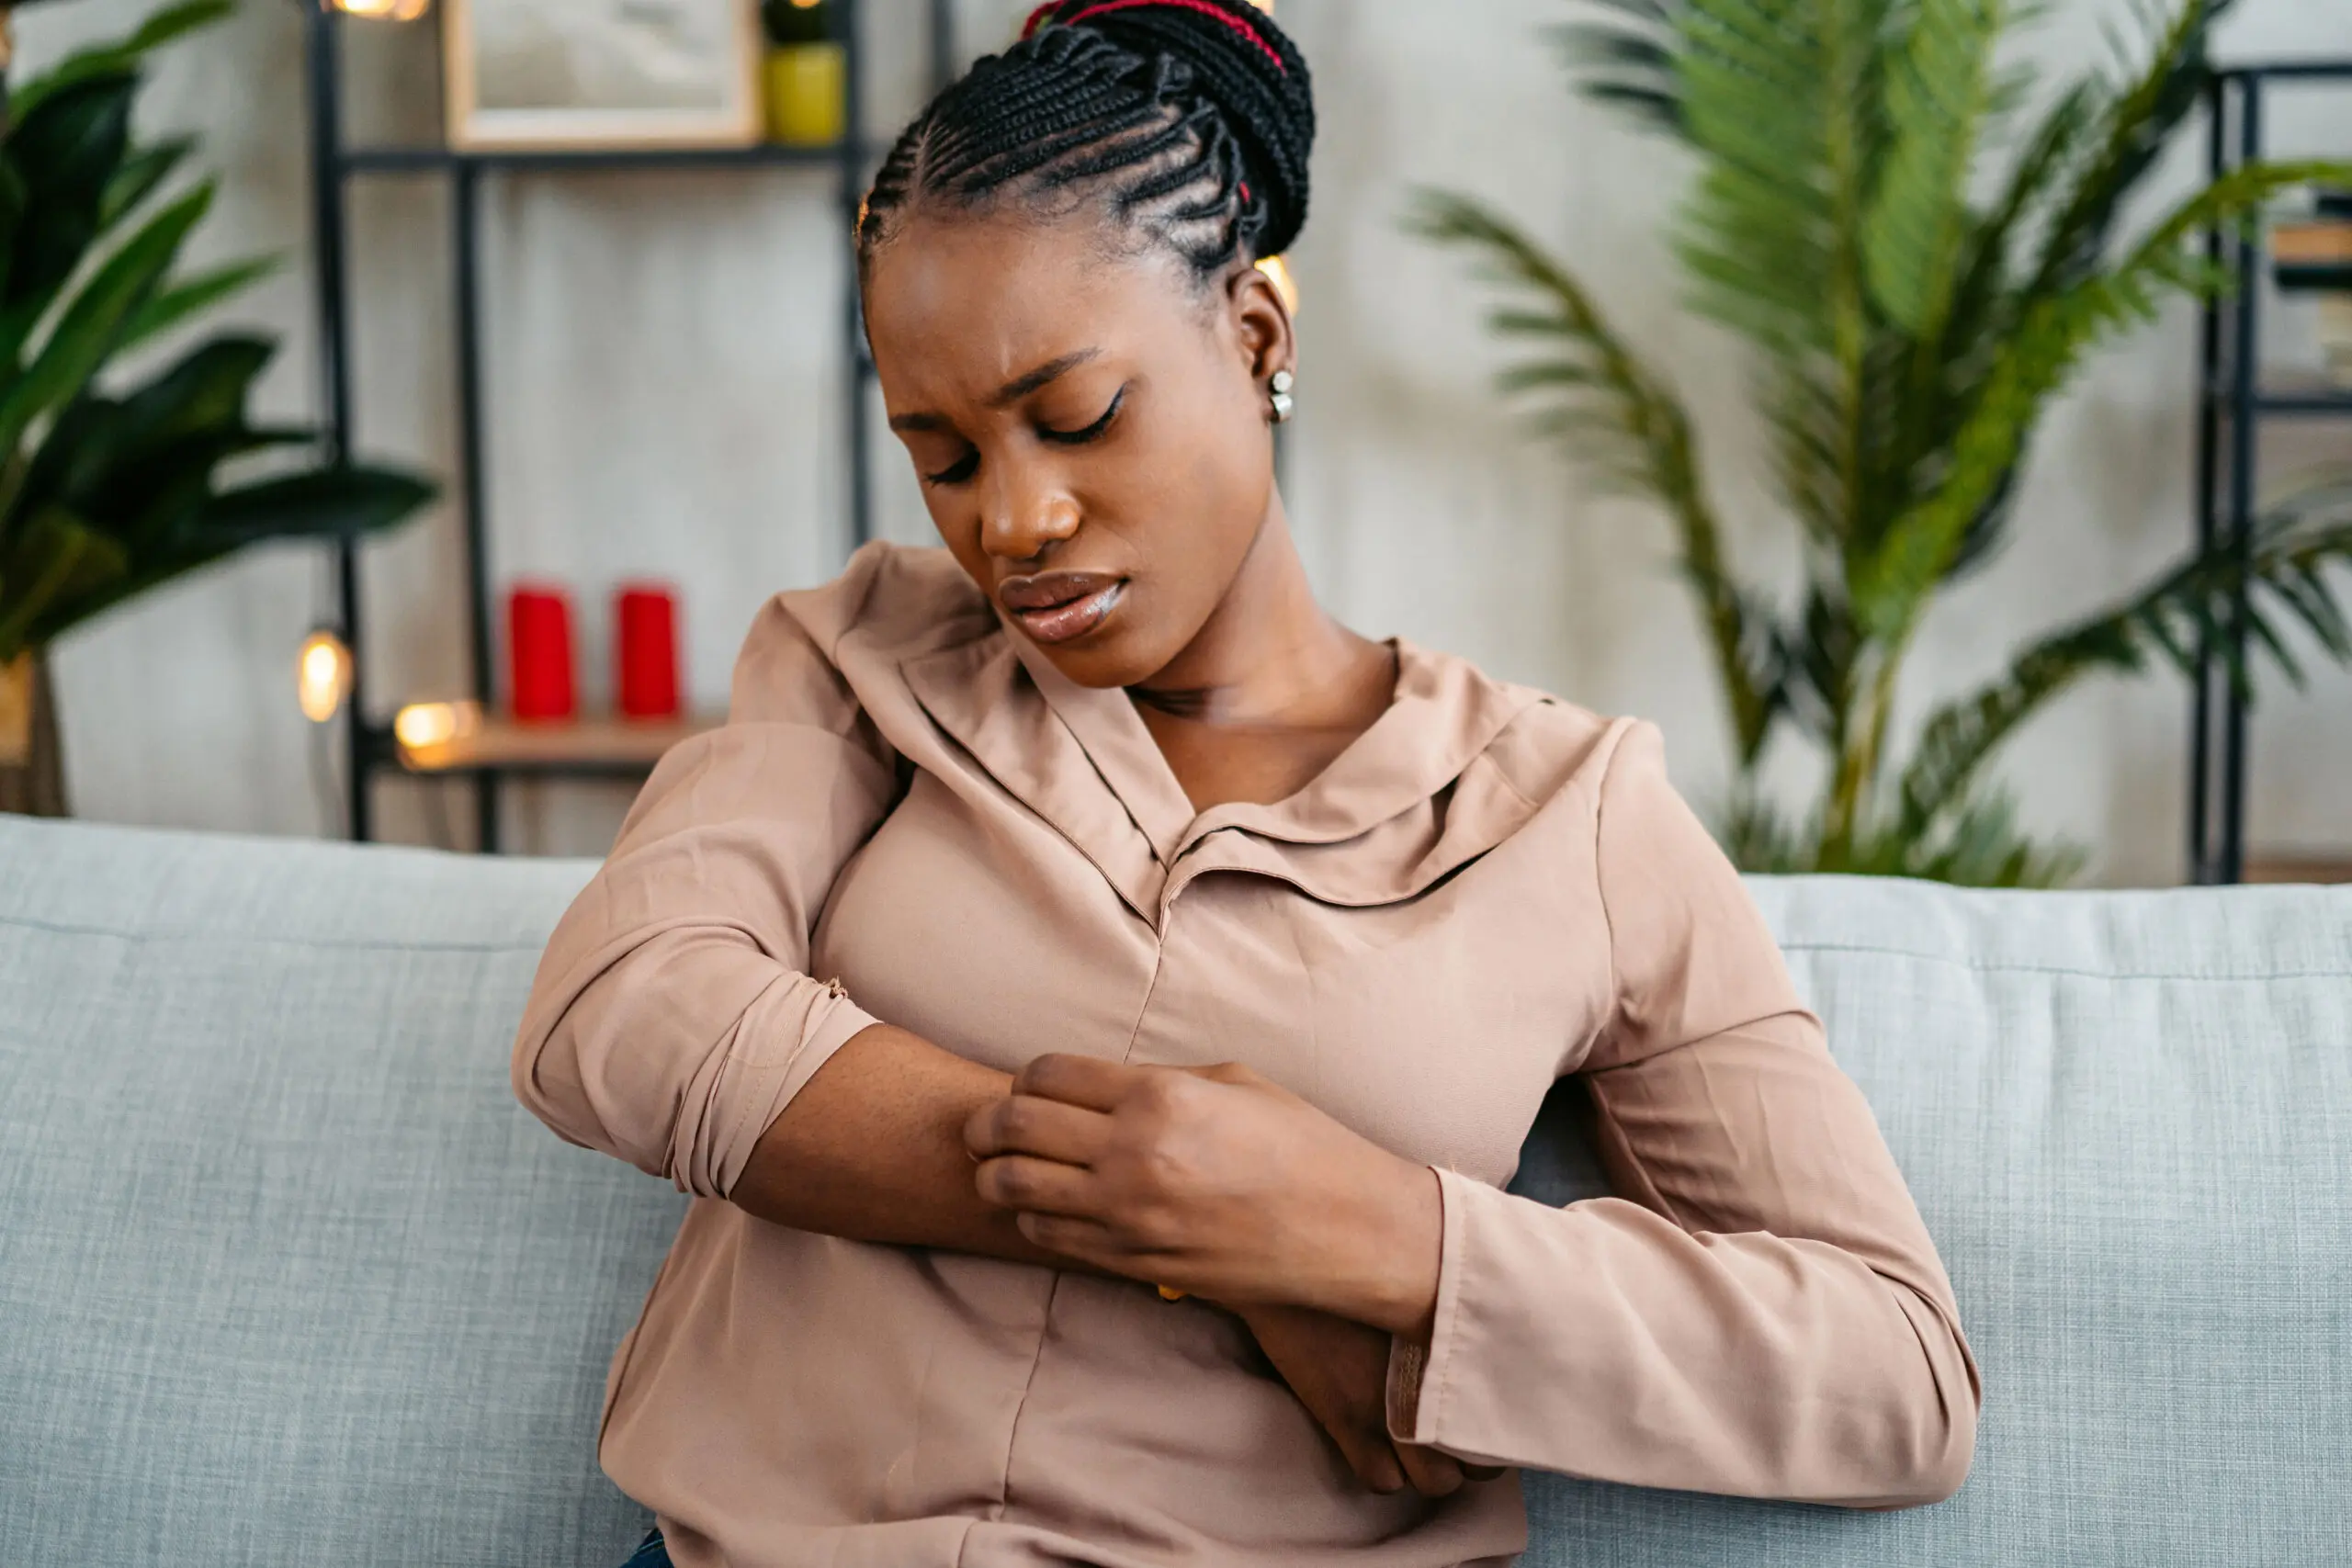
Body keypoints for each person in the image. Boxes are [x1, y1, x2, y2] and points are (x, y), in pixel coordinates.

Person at [513, 4, 1981, 1564]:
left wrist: (1378, 1234)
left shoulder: (1572, 808)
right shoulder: (865, 654)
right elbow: (625, 1010)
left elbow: (1896, 1376)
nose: (1013, 520)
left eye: (1078, 417)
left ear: (1258, 337)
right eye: (944, 455)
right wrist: (1200, 1227)